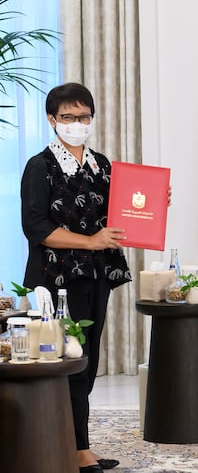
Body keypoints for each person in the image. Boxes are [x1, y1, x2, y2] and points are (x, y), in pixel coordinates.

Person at [21, 82, 129, 472]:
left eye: (84, 117)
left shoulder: (102, 164)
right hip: (56, 280)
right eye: (68, 117)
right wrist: (89, 240)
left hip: (97, 275)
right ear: (52, 120)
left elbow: (121, 215)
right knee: (70, 358)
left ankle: (77, 443)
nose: (77, 123)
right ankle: (76, 450)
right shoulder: (40, 166)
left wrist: (149, 202)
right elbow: (36, 227)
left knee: (88, 359)